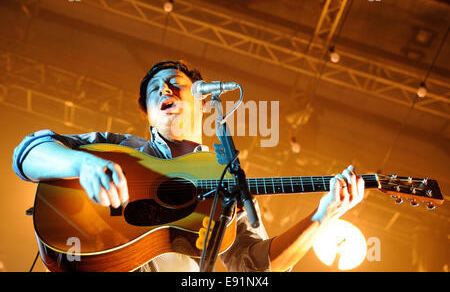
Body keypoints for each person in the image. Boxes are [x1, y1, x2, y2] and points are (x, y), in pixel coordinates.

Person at [12, 60, 365, 272]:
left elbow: (254, 267)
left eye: (176, 83)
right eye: (155, 89)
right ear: (148, 112)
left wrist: (323, 216)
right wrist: (83, 163)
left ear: (201, 98)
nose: (165, 88)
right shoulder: (118, 149)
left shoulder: (227, 176)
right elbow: (28, 152)